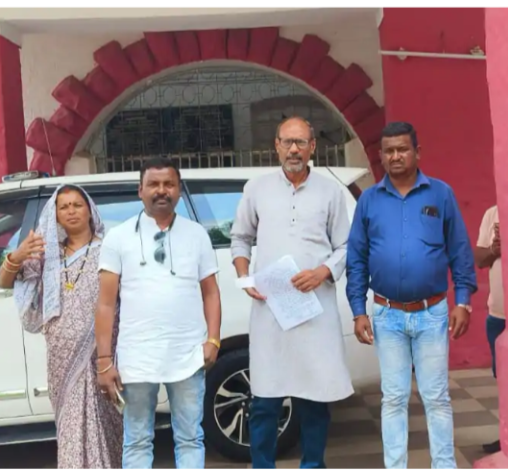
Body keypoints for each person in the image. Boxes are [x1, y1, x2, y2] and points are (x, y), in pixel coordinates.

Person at [347, 121, 478, 469]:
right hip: (387, 314)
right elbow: (356, 259)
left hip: (432, 312)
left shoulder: (441, 194)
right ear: (381, 156)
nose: (396, 156)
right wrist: (358, 310)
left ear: (417, 153)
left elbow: (460, 251)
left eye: (402, 149)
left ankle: (444, 465)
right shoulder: (369, 201)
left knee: (437, 397)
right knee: (393, 398)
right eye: (389, 151)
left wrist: (463, 301)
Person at [230, 116, 353, 469]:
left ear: (313, 146)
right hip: (272, 311)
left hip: (315, 310)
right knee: (265, 401)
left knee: (315, 399)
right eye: (287, 142)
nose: (294, 149)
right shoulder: (257, 188)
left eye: (301, 142)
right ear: (276, 146)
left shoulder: (330, 191)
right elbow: (240, 238)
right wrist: (245, 277)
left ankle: (312, 465)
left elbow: (346, 245)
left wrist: (322, 272)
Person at [94, 157, 222, 469]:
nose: (161, 190)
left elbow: (210, 292)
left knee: (190, 437)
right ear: (140, 190)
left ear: (178, 190)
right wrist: (104, 360)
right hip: (137, 358)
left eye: (169, 184)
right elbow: (106, 303)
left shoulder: (197, 234)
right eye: (153, 184)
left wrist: (213, 340)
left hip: (188, 354)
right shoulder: (118, 237)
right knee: (137, 440)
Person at [0, 184, 122, 468]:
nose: (70, 211)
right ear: (55, 214)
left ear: (90, 210)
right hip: (61, 358)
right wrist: (16, 256)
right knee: (70, 425)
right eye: (63, 206)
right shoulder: (46, 255)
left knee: (107, 425)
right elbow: (5, 282)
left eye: (77, 205)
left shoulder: (109, 250)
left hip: (101, 352)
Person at [474, 205, 504, 454]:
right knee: (503, 381)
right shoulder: (492, 213)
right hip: (498, 315)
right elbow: (480, 259)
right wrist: (494, 250)